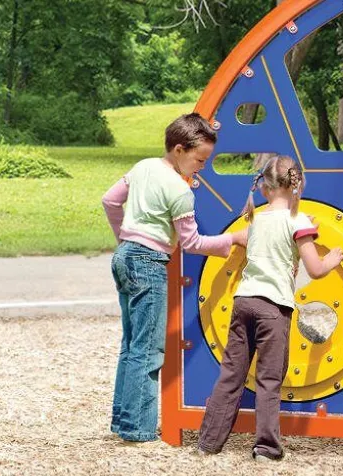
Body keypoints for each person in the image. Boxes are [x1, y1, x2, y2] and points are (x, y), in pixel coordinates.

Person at [102, 113, 247, 443]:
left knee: (131, 345)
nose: (202, 167)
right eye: (200, 159)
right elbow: (193, 243)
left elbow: (110, 200)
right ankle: (139, 430)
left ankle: (126, 421)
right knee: (149, 349)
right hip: (150, 263)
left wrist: (124, 238)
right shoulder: (180, 192)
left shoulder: (143, 168)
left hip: (124, 257)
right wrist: (234, 240)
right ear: (180, 149)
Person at [197, 154, 343, 461]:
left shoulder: (257, 220)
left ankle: (209, 441)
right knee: (268, 379)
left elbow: (241, 239)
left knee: (231, 374)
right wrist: (332, 258)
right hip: (273, 309)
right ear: (298, 184)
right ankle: (266, 448)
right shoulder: (298, 222)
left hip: (243, 302)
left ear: (264, 189)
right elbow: (315, 269)